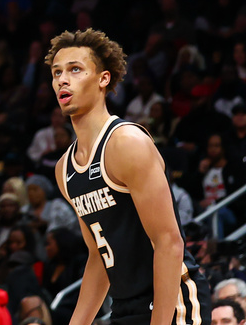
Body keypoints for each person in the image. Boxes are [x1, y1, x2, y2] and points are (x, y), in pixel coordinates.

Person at [48, 28, 211, 325]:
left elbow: (169, 242)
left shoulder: (126, 143)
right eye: (57, 72)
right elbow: (98, 256)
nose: (63, 79)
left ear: (103, 79)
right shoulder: (64, 169)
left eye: (75, 69)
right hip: (125, 304)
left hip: (172, 300)